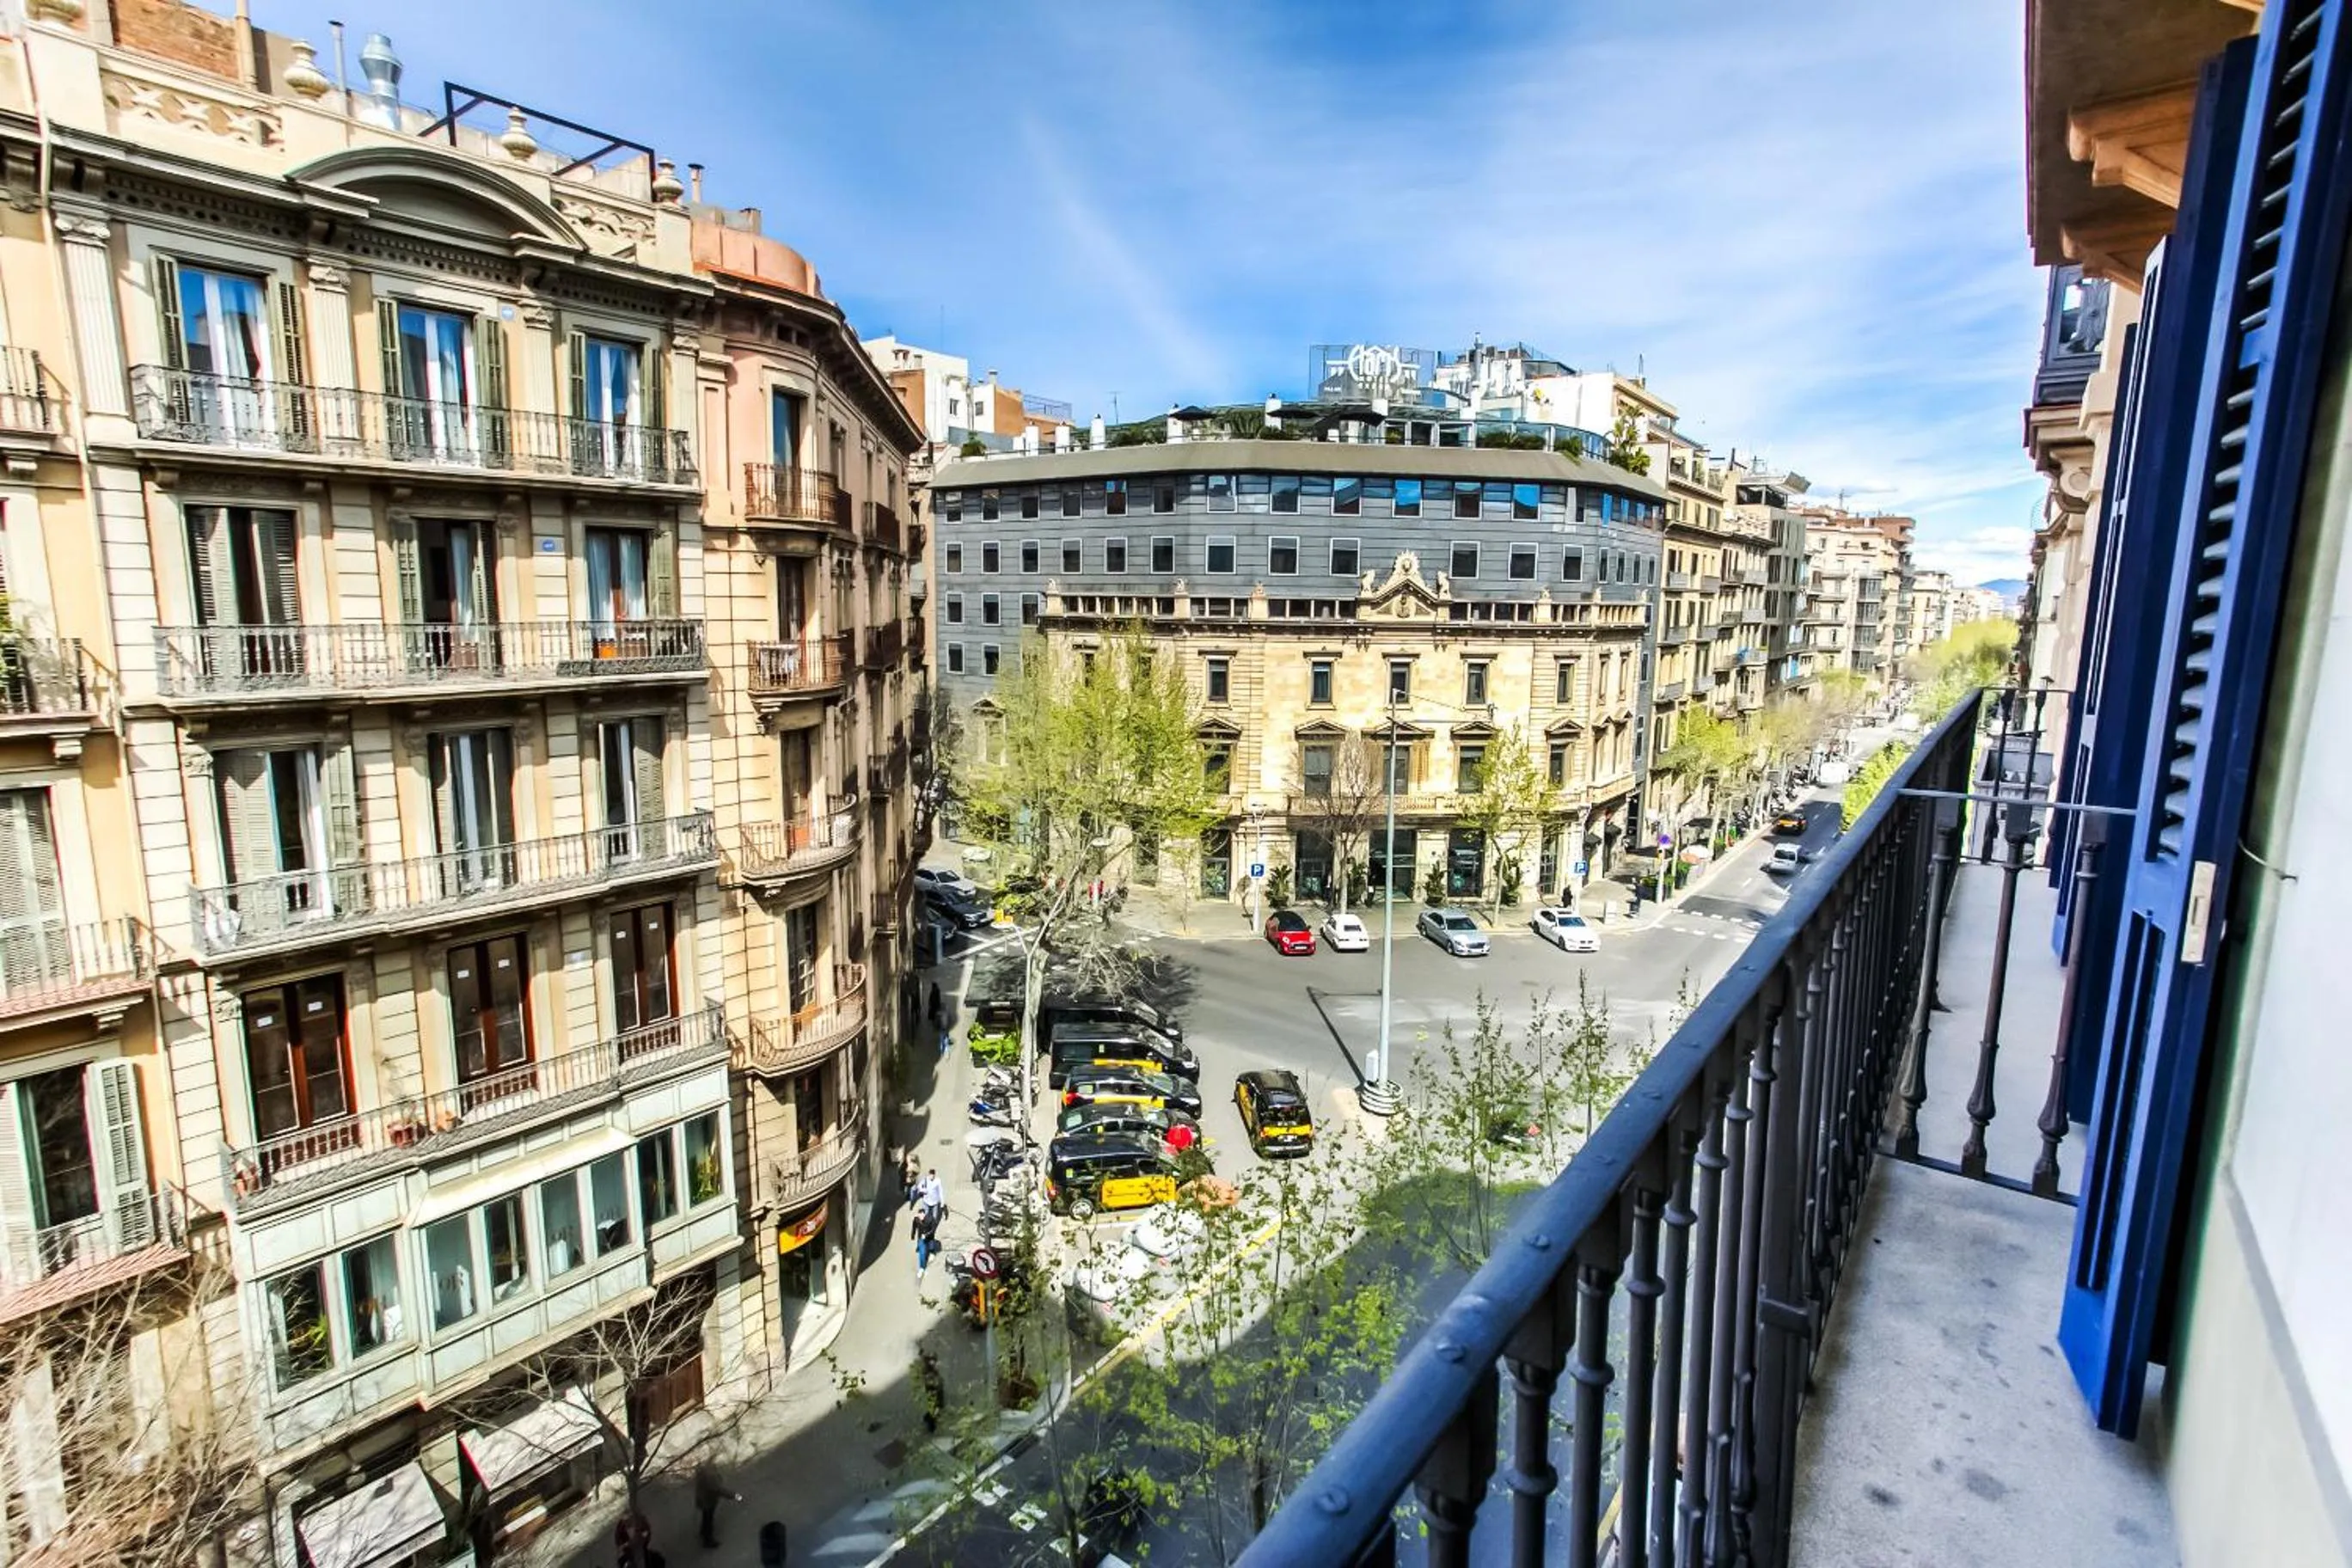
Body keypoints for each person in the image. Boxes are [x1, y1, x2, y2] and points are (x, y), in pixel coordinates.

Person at [693, 1461, 741, 1550]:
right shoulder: (711, 1479)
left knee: (706, 1517)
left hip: (702, 1500)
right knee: (709, 1520)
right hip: (708, 1502)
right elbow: (720, 1490)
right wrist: (735, 1496)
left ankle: (703, 1532)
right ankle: (708, 1541)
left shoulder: (703, 1474)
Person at [916, 1347, 945, 1434]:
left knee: (934, 1404)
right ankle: (931, 1420)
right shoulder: (929, 1369)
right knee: (934, 1404)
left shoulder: (930, 1369)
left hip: (933, 1388)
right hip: (933, 1388)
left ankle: (931, 1421)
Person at [912, 1201, 940, 1279]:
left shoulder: (931, 1219)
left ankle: (932, 1252)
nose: (920, 1217)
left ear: (924, 1214)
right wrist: (913, 1235)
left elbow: (933, 1229)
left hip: (930, 1237)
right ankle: (922, 1268)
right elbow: (914, 1227)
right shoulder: (917, 1219)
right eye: (919, 1216)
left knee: (931, 1247)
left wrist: (927, 1235)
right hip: (922, 1239)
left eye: (922, 1216)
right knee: (922, 1253)